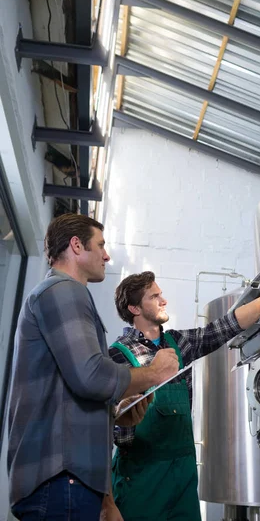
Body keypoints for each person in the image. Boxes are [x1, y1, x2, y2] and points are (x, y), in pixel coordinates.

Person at [105, 271, 260, 521]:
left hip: (182, 478)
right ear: (134, 308)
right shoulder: (116, 356)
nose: (164, 300)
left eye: (161, 294)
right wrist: (126, 415)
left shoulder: (180, 343)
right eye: (154, 296)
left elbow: (226, 326)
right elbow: (106, 427)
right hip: (141, 481)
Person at [7, 214, 179, 521]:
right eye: (100, 245)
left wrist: (116, 411)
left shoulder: (56, 295)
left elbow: (72, 397)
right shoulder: (63, 290)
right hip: (60, 481)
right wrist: (154, 372)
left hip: (67, 482)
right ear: (76, 245)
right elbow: (91, 376)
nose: (107, 254)